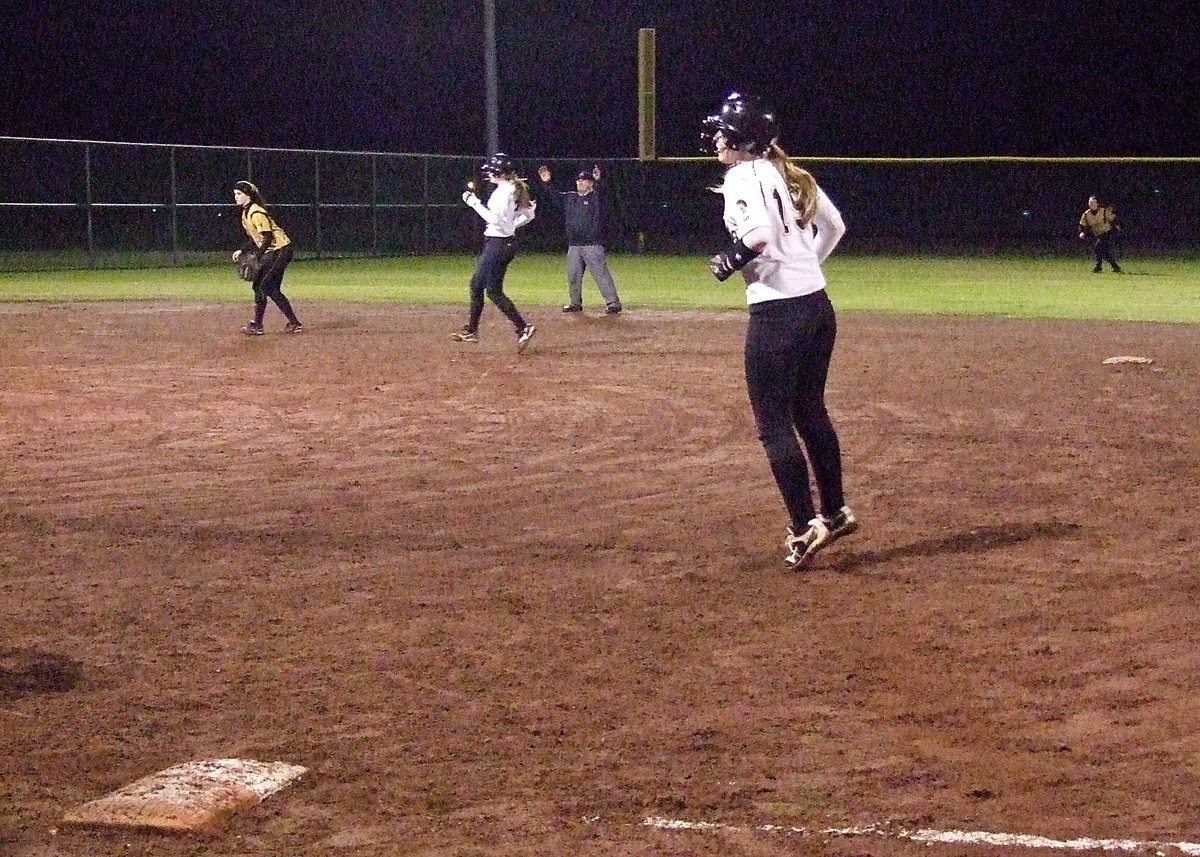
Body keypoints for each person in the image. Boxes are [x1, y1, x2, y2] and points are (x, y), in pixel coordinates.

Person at [704, 91, 857, 570]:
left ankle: (802, 525)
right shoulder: (779, 170)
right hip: (817, 305)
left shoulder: (742, 175)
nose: (714, 139)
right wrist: (804, 266)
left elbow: (758, 238)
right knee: (809, 409)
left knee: (773, 425)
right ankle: (834, 512)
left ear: (738, 138)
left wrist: (729, 261)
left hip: (778, 315)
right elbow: (832, 226)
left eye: (721, 132)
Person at [452, 153, 538, 353]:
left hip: (498, 244)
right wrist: (512, 226)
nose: (488, 173)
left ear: (498, 172)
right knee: (493, 291)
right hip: (505, 243)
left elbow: (494, 219)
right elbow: (529, 214)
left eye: (491, 170)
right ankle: (523, 327)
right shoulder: (513, 189)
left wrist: (473, 203)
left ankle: (472, 331)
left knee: (476, 284)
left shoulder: (503, 192)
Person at [536, 163, 623, 315]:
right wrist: (547, 182)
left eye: (583, 180)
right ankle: (575, 303)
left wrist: (599, 181)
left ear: (590, 183)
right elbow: (554, 195)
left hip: (592, 244)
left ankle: (613, 303)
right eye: (578, 180)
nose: (580, 182)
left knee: (600, 275)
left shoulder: (595, 197)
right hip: (574, 245)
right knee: (573, 275)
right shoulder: (570, 197)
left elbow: (603, 192)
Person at [231, 181, 303, 335]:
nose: (236, 197)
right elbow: (255, 238)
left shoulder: (256, 212)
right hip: (272, 252)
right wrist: (241, 250)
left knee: (268, 287)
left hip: (281, 250)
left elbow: (268, 237)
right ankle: (258, 325)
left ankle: (294, 323)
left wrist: (257, 256)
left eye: (239, 194)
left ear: (248, 195)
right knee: (259, 286)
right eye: (235, 194)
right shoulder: (246, 213)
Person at [1078, 194, 1122, 273]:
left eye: (1093, 202)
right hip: (1098, 235)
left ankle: (1098, 267)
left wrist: (1117, 228)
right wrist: (1082, 232)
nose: (1091, 204)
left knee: (1098, 247)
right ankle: (1115, 267)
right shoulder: (1086, 214)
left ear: (1097, 203)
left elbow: (1114, 219)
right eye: (1090, 202)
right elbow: (1082, 225)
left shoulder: (1103, 211)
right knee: (1104, 252)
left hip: (1107, 233)